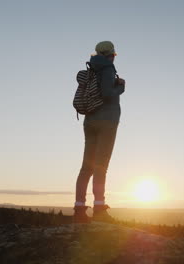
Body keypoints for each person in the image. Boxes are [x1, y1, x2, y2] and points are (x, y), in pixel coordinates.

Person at [73, 41, 125, 223]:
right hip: (107, 121)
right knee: (101, 165)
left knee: (86, 166)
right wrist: (121, 87)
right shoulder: (108, 69)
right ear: (110, 54)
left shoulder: (92, 68)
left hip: (90, 121)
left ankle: (79, 208)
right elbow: (107, 93)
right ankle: (99, 208)